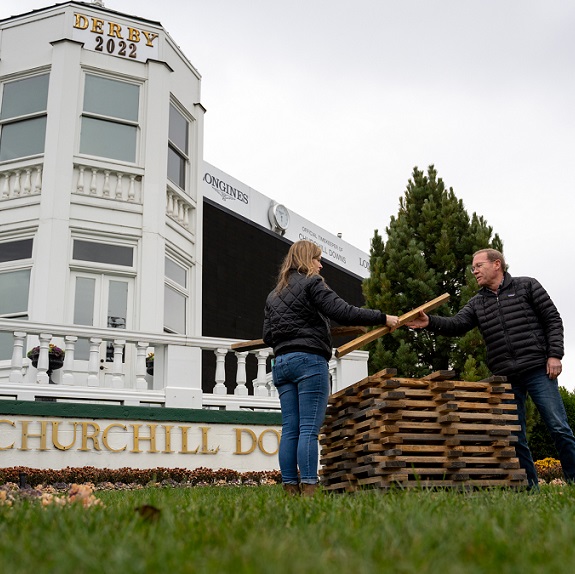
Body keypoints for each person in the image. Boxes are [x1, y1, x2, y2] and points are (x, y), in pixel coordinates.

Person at [407, 248, 575, 488]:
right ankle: (529, 488)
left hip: (538, 368)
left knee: (558, 427)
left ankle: (573, 481)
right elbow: (457, 324)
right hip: (506, 377)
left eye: (478, 265)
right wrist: (429, 322)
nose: (474, 270)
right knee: (515, 436)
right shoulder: (477, 302)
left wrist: (554, 355)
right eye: (472, 267)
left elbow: (552, 319)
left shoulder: (527, 286)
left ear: (497, 264)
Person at [263, 240, 399, 496]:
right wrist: (383, 317)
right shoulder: (313, 283)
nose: (321, 264)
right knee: (308, 430)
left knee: (290, 429)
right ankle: (311, 489)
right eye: (317, 259)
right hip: (309, 362)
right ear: (306, 260)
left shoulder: (274, 294)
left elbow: (268, 335)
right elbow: (344, 312)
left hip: (281, 364)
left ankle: (290, 489)